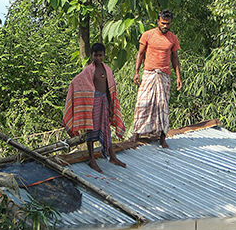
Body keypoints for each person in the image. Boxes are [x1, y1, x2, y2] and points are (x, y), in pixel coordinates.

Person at [63, 42, 126, 173]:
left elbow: (110, 89)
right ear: (91, 55)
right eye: (95, 55)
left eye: (100, 55)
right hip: (92, 103)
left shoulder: (107, 69)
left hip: (104, 101)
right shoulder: (88, 71)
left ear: (104, 55)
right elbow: (76, 82)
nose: (98, 58)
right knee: (91, 132)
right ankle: (92, 160)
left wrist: (109, 105)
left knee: (106, 129)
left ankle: (112, 157)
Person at [132, 9, 182, 148]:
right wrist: (136, 72)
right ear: (158, 21)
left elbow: (175, 58)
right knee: (143, 102)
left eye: (168, 24)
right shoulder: (147, 35)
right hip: (149, 73)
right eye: (163, 23)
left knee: (162, 106)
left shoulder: (173, 38)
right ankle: (136, 133)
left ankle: (162, 137)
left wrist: (178, 77)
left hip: (164, 75)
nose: (166, 26)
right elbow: (140, 54)